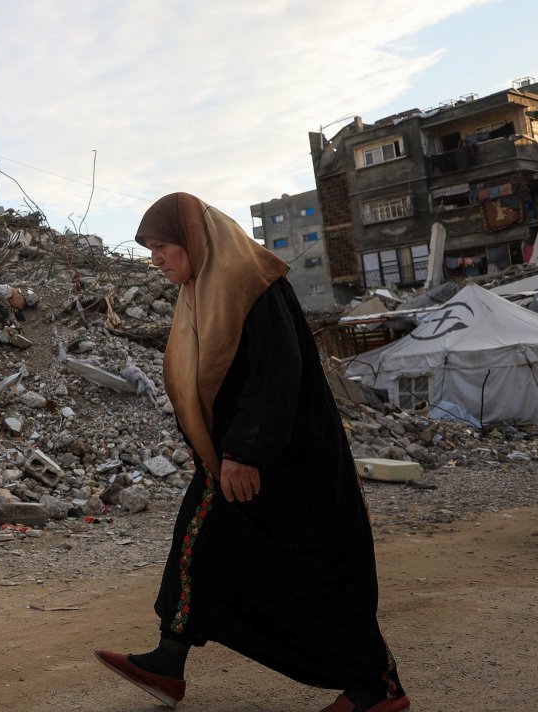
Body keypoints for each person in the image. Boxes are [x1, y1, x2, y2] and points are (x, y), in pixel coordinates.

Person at [93, 193, 410, 712]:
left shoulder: (252, 284)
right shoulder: (200, 292)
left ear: (193, 239)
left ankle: (376, 687)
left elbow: (276, 373)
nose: (156, 259)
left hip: (287, 464)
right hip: (234, 459)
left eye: (162, 246)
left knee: (315, 572)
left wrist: (245, 452)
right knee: (202, 546)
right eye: (150, 250)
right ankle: (168, 661)